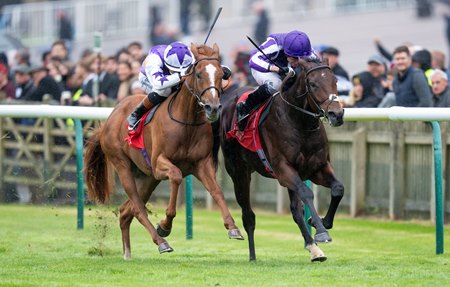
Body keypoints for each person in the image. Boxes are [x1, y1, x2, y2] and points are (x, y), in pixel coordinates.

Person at [237, 30, 315, 130]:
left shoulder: (306, 50)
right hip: (264, 68)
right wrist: (277, 69)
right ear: (286, 52)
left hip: (286, 69)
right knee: (276, 84)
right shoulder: (274, 44)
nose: (298, 61)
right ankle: (246, 105)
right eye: (295, 58)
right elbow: (253, 60)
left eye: (301, 58)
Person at [126, 42, 195, 131]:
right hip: (149, 79)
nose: (177, 72)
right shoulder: (153, 60)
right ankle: (136, 115)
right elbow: (158, 84)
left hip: (170, 76)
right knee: (165, 91)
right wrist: (179, 76)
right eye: (174, 70)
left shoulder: (186, 53)